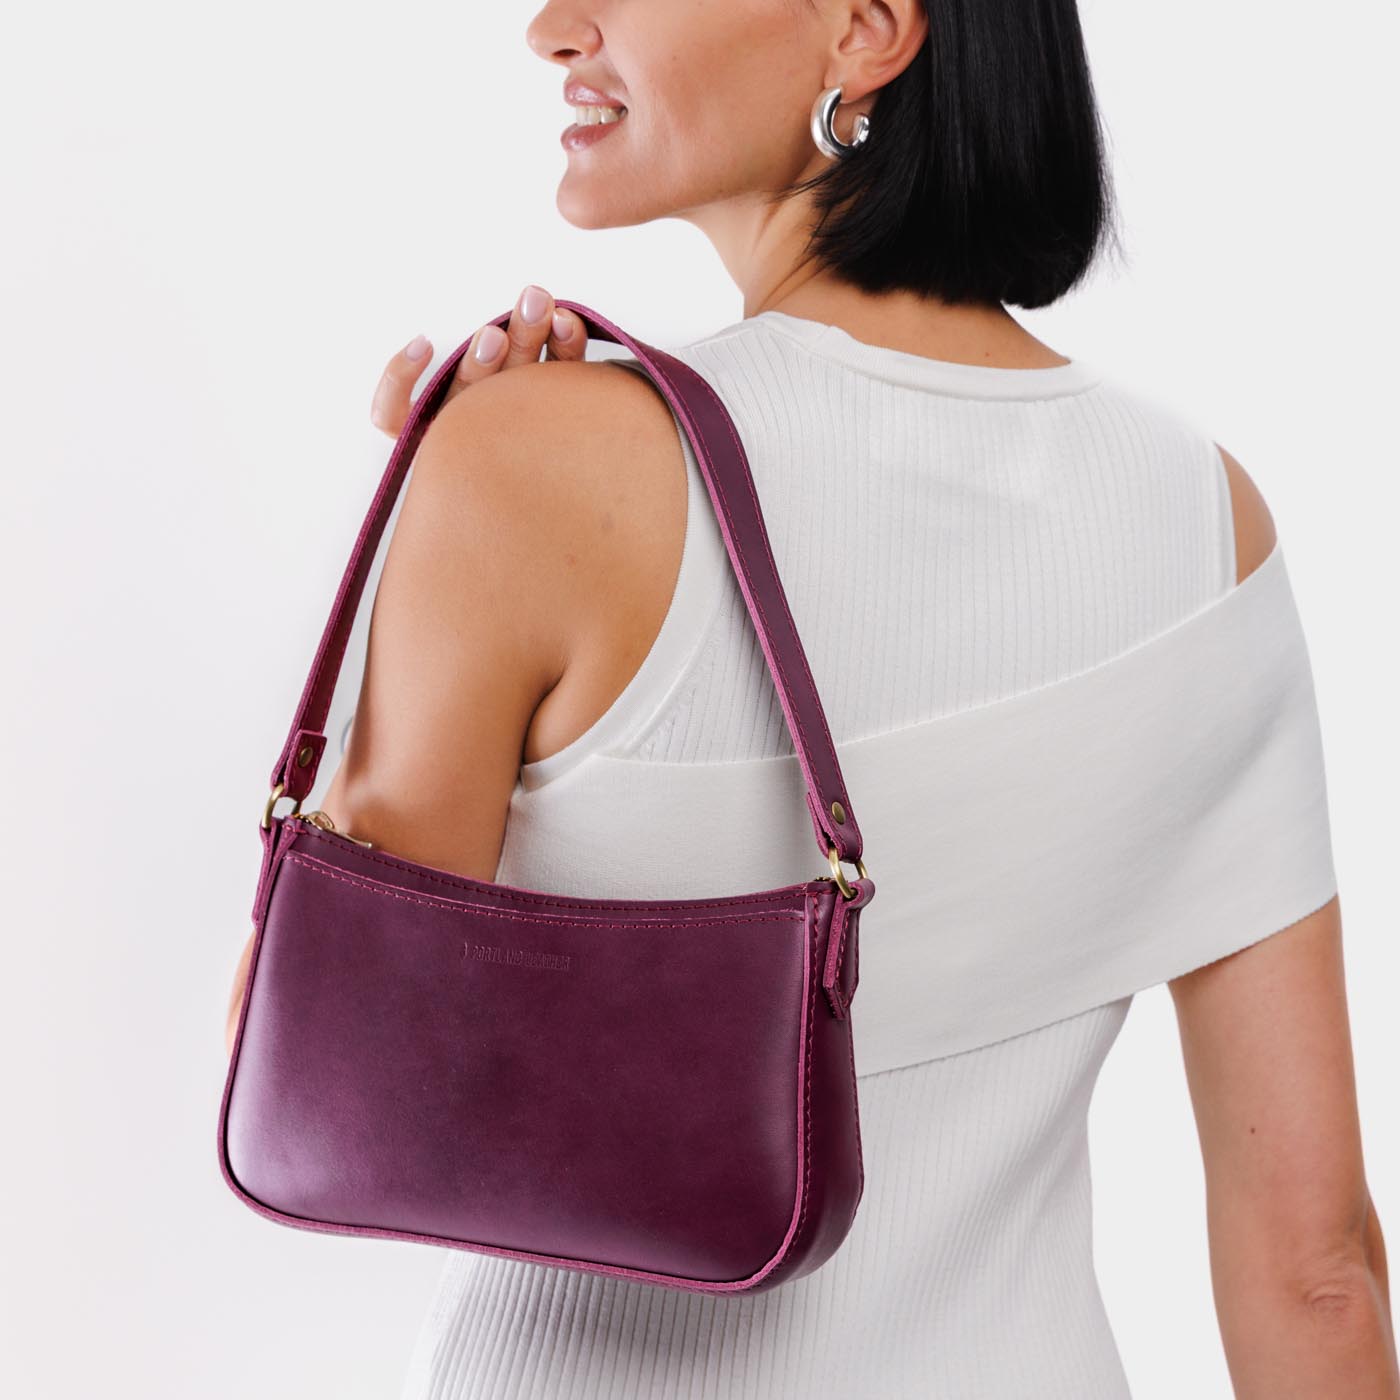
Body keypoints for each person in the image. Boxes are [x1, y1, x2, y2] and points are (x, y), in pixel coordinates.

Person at [226, 0, 1397, 1395]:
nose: (551, 27)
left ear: (866, 30)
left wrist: (446, 519)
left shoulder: (529, 466)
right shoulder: (1206, 520)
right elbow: (1317, 1270)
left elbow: (319, 1084)